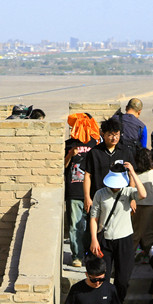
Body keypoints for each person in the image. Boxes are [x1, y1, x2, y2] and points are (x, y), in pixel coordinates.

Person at [88, 164, 146, 304]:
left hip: (124, 240)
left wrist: (132, 172)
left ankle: (118, 303)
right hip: (105, 240)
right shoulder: (100, 194)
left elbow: (143, 195)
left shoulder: (128, 192)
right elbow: (94, 218)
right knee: (103, 277)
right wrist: (94, 239)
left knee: (123, 279)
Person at [64, 114, 101, 268]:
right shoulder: (68, 144)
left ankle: (88, 254)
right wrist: (70, 155)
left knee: (90, 226)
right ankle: (77, 256)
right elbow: (61, 167)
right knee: (75, 226)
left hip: (92, 193)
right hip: (74, 190)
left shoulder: (96, 144)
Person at [81, 119, 135, 214]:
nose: (114, 138)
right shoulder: (94, 152)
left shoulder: (125, 152)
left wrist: (132, 198)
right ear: (103, 134)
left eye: (117, 135)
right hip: (99, 198)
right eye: (110, 135)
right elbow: (87, 175)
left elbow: (131, 175)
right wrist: (87, 197)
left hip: (121, 199)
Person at [130, 147, 153, 258]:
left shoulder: (133, 174)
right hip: (150, 206)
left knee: (135, 232)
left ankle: (131, 253)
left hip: (136, 206)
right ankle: (151, 254)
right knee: (151, 232)